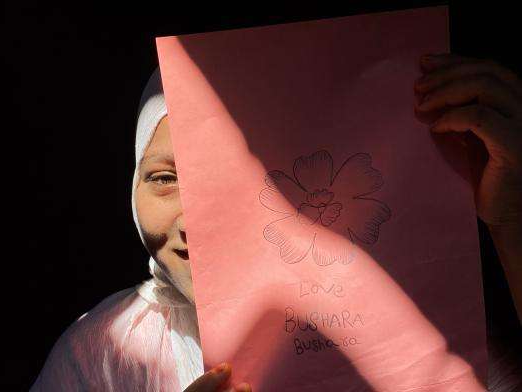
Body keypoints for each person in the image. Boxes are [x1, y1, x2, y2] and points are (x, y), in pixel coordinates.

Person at [31, 52, 521, 391]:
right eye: (163, 178)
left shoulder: (416, 316)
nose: (196, 219)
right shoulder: (102, 353)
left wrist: (512, 219)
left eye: (229, 179)